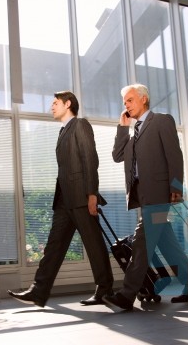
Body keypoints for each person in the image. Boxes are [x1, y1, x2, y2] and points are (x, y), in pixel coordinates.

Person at [103, 84, 188, 310]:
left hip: (159, 194)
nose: (126, 105)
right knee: (166, 242)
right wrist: (122, 127)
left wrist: (176, 187)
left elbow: (174, 155)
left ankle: (126, 295)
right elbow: (117, 156)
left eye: (129, 100)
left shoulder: (161, 121)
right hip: (142, 196)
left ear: (144, 99)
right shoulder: (133, 133)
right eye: (124, 102)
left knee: (142, 242)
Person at [8, 91, 113, 307]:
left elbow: (90, 160)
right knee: (54, 245)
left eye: (55, 103)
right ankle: (38, 291)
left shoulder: (80, 125)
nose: (51, 107)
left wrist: (92, 194)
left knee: (94, 245)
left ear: (68, 104)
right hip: (64, 199)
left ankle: (104, 290)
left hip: (82, 197)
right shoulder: (63, 131)